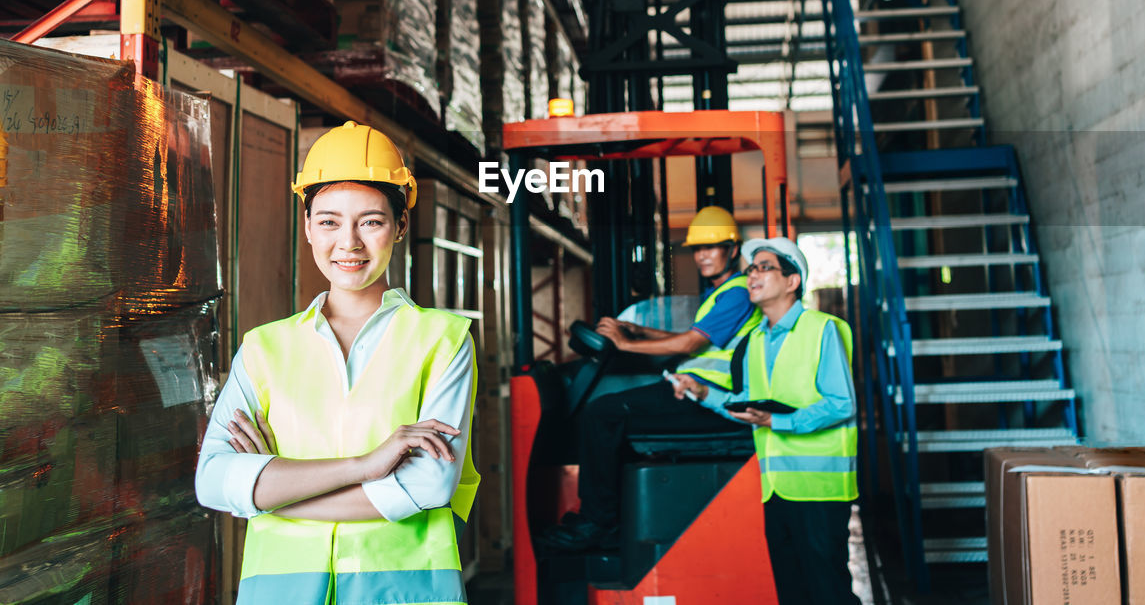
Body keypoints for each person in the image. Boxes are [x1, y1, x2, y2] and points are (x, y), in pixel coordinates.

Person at [195, 121, 480, 604]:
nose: (348, 243)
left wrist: (271, 493)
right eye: (328, 221)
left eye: (370, 221)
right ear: (307, 227)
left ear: (400, 226)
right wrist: (366, 466)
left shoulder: (443, 340)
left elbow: (427, 486)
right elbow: (213, 482)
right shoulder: (264, 348)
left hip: (401, 592)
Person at [537, 205, 761, 552]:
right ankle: (611, 515)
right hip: (693, 390)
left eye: (711, 247)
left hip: (710, 399)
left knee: (601, 414)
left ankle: (597, 523)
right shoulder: (719, 293)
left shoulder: (737, 292)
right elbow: (690, 336)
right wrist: (637, 330)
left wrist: (626, 343)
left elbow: (690, 342)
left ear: (732, 249)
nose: (702, 256)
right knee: (610, 412)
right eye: (697, 249)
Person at [672, 237, 862, 605]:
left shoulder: (821, 329)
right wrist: (702, 392)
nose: (752, 275)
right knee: (792, 593)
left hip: (820, 488)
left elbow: (842, 404)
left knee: (829, 593)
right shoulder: (755, 341)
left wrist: (780, 422)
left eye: (764, 267)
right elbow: (746, 406)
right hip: (776, 488)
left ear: (792, 282)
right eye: (750, 269)